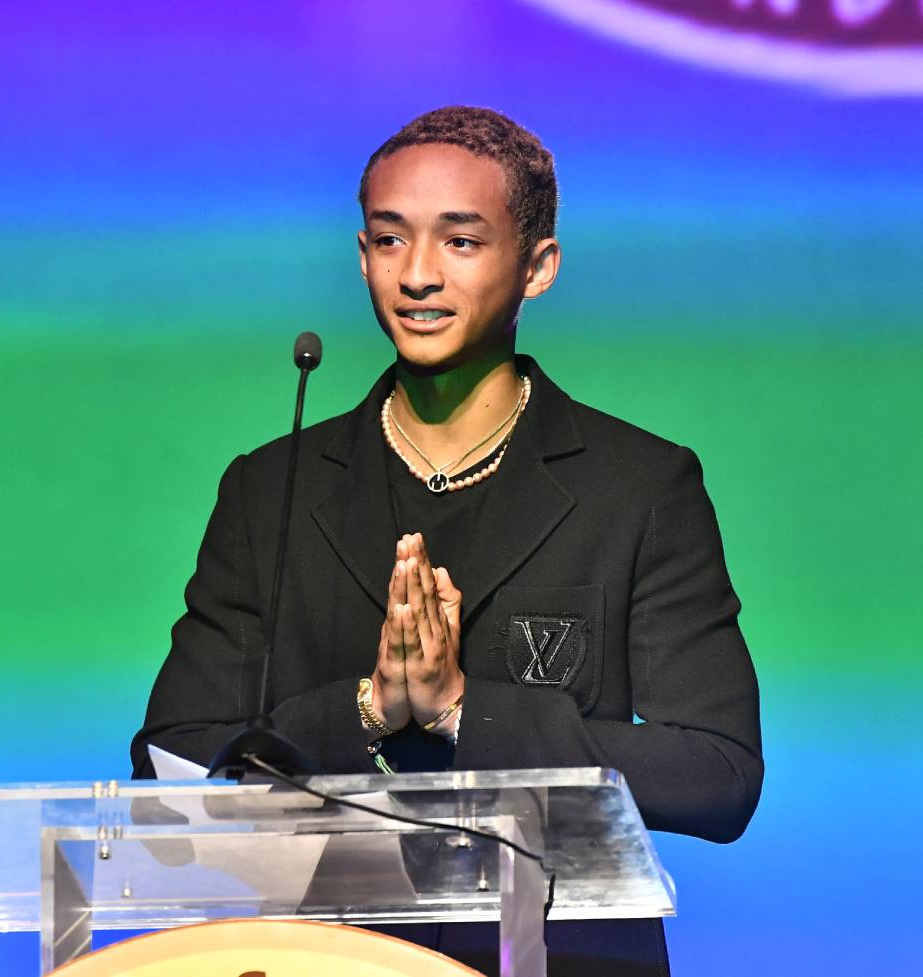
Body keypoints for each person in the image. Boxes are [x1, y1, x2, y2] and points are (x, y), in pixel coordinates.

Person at [132, 105, 762, 976]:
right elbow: (173, 752)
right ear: (361, 257)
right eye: (390, 241)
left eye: (460, 242)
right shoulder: (269, 486)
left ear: (537, 266)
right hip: (321, 956)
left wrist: (468, 709)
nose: (418, 274)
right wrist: (369, 708)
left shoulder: (639, 486)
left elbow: (717, 771)